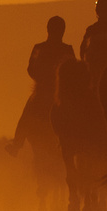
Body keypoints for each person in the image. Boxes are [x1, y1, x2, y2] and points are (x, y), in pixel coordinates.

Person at [9, 16, 76, 155]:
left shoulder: (40, 48)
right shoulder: (66, 49)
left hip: (45, 91)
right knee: (27, 113)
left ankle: (16, 144)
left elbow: (30, 69)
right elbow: (73, 70)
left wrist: (42, 79)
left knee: (27, 115)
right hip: (58, 92)